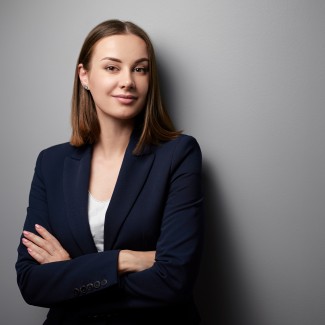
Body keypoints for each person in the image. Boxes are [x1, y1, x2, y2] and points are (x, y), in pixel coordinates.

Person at [15, 19, 204, 325]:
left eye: (140, 69)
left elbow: (174, 280)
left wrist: (71, 273)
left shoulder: (178, 154)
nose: (128, 81)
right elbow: (31, 282)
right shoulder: (51, 163)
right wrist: (125, 259)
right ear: (84, 76)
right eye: (112, 68)